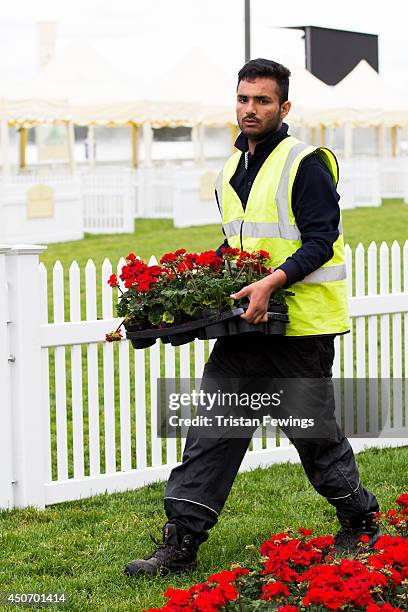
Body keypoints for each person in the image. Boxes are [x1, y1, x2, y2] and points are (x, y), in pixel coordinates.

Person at [124, 58, 380, 577]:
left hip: (300, 326)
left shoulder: (305, 162)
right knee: (212, 430)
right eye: (243, 99)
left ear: (284, 107)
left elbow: (320, 241)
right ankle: (182, 541)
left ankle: (360, 518)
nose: (250, 109)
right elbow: (239, 243)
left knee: (313, 436)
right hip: (243, 323)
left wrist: (270, 283)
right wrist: (190, 290)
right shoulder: (230, 167)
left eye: (262, 100)